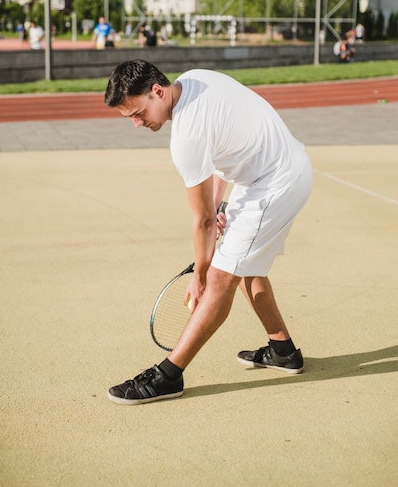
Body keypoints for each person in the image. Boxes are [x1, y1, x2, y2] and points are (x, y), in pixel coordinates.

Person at [104, 60, 313, 405]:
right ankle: (283, 351)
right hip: (275, 170)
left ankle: (168, 376)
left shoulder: (185, 136)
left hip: (275, 182)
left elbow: (201, 221)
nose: (138, 125)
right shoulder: (195, 80)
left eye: (138, 114)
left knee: (219, 279)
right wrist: (219, 205)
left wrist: (201, 273)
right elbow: (220, 157)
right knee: (246, 265)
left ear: (157, 91)